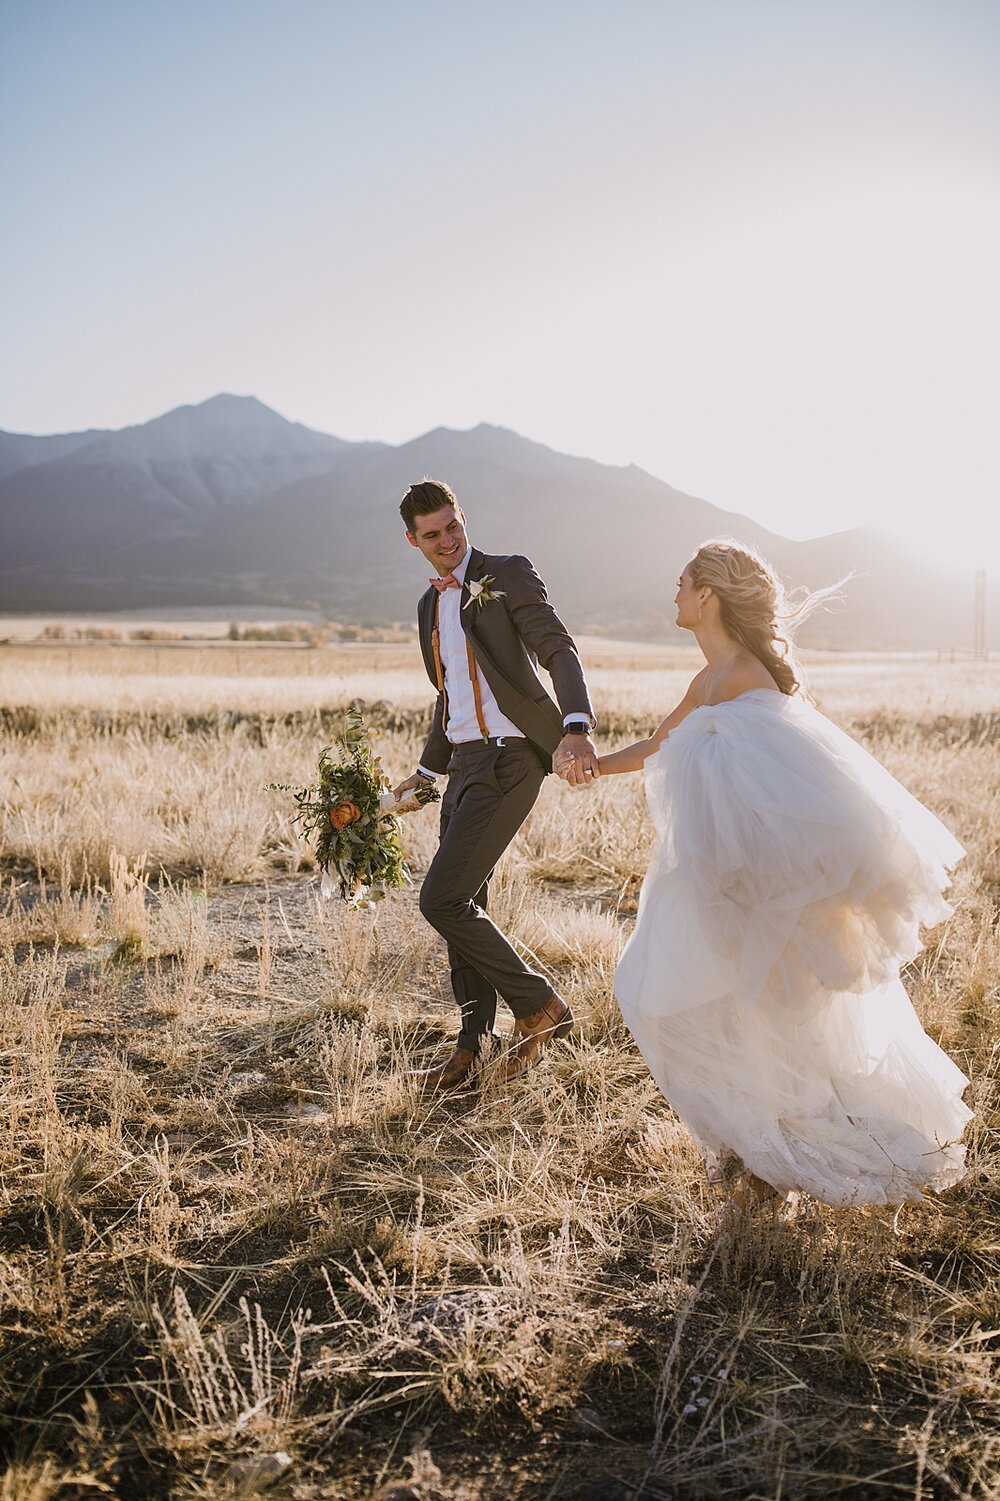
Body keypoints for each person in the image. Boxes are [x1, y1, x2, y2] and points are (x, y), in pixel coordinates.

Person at [556, 538, 971, 1208]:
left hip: (759, 886)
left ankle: (776, 1162)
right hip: (707, 880)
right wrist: (593, 767)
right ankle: (754, 1147)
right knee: (660, 991)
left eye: (683, 580)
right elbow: (661, 745)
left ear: (709, 596)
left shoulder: (751, 677)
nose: (675, 591)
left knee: (769, 1015)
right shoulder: (707, 681)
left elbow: (798, 786)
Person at [393, 478, 597, 1090]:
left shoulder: (505, 573)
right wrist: (428, 773)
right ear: (413, 541)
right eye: (432, 535)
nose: (447, 541)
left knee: (441, 900)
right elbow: (448, 695)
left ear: (462, 518)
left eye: (453, 526)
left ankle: (540, 1009)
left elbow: (557, 648)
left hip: (511, 761)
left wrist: (576, 726)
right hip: (462, 766)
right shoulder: (429, 606)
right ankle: (471, 1046)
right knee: (467, 903)